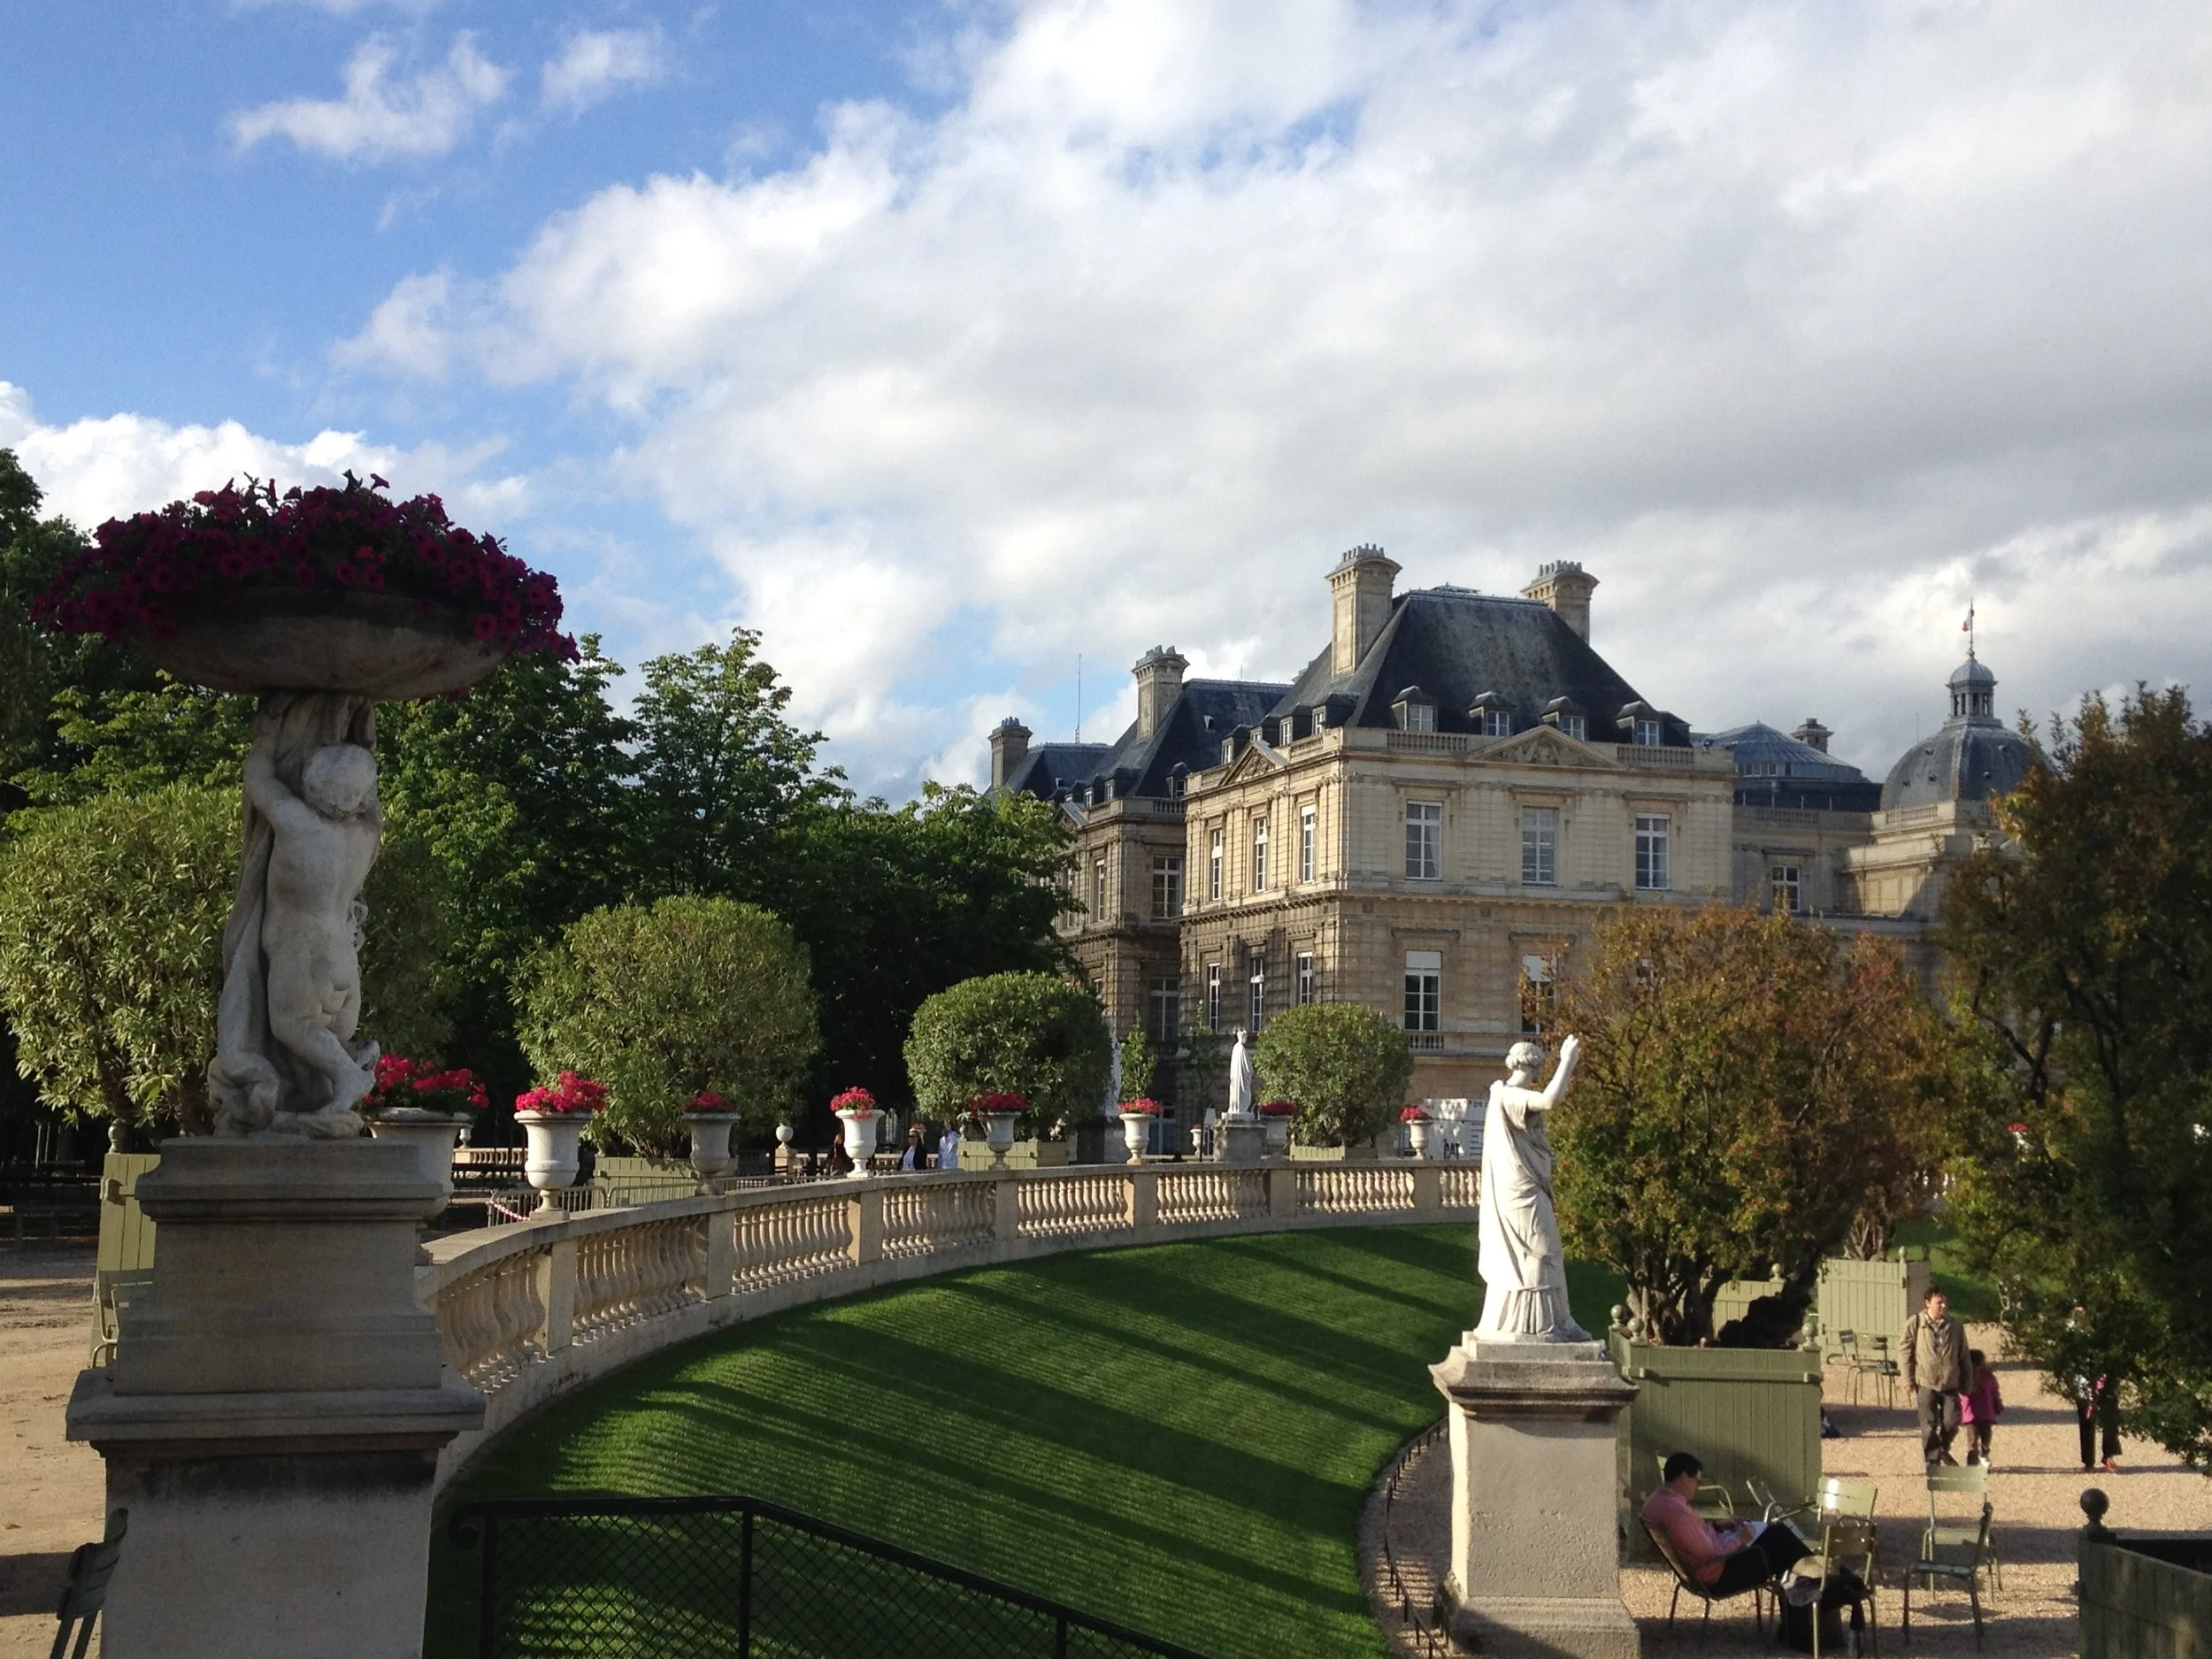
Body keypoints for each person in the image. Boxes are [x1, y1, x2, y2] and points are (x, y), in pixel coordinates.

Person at [1476, 1035, 1585, 1340]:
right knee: (1541, 1250)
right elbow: (1549, 1100)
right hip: (1521, 1190)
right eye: (1539, 1070)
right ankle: (1538, 1324)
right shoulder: (1511, 1096)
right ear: (1533, 1066)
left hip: (1524, 1184)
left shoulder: (1506, 1095)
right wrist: (1567, 1062)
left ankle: (1557, 1319)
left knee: (1545, 1251)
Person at [1641, 1451, 1810, 1595]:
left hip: (1697, 1572)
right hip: (1718, 1577)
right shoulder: (1678, 1512)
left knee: (1777, 1539)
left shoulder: (1656, 1501)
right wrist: (1740, 1540)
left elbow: (1694, 1539)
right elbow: (1711, 1555)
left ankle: (1807, 1588)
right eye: (1697, 1481)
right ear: (1684, 1477)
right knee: (1780, 1540)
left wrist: (1717, 1526)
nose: (1698, 1488)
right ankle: (1816, 1578)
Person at [1902, 1285, 1970, 1467]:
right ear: (1927, 1303)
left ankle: (1942, 1449)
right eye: (1939, 1302)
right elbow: (1905, 1351)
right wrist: (1907, 1379)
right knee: (1929, 1426)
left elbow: (1964, 1355)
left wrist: (1967, 1382)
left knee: (1952, 1422)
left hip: (1950, 1384)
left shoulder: (1955, 1326)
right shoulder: (1916, 1323)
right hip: (1926, 1383)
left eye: (1945, 1302)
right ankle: (1933, 1463)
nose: (1943, 1306)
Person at [1961, 1348, 2003, 1468]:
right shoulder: (1965, 1378)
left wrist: (1998, 1404)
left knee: (1986, 1436)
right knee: (1972, 1440)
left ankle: (1984, 1454)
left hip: (1986, 1413)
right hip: (1971, 1414)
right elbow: (1963, 1394)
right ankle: (1971, 1462)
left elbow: (1994, 1392)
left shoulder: (1989, 1378)